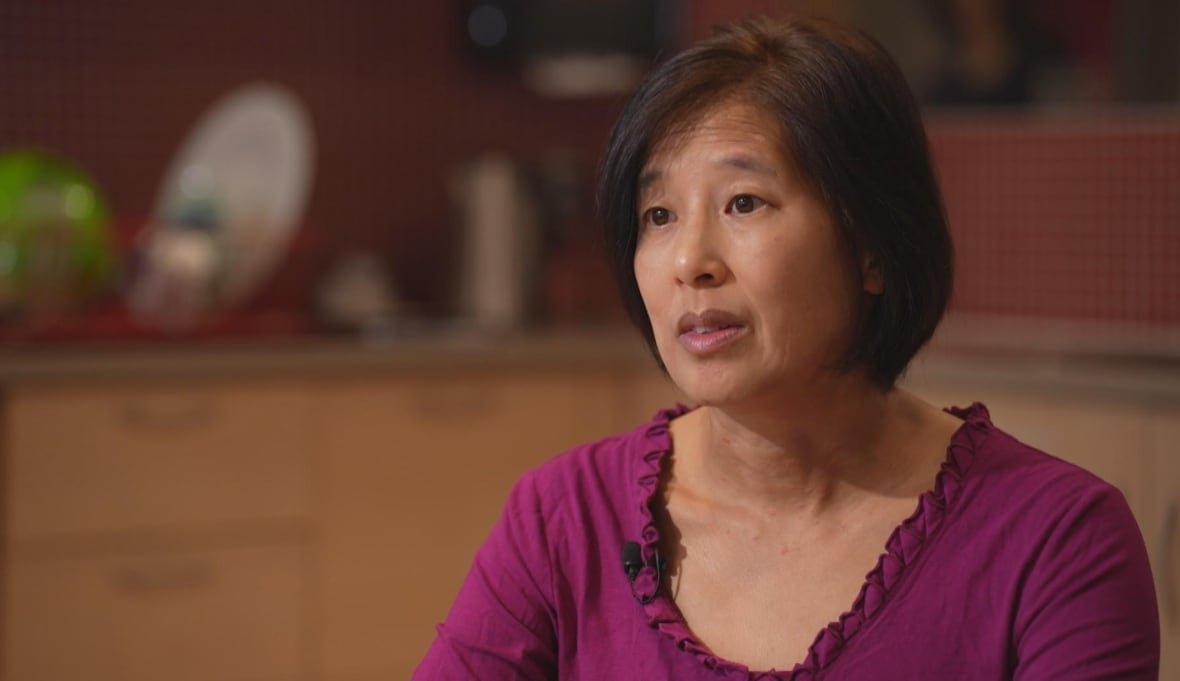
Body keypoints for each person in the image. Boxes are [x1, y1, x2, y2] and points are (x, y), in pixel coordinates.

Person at [414, 16, 1159, 680]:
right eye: (659, 214)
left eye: (744, 203)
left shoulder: (1055, 540)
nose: (690, 260)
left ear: (872, 244)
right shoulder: (563, 518)